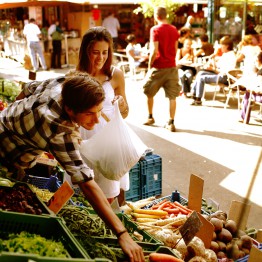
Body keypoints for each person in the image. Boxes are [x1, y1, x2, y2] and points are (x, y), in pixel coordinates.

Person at [0, 71, 144, 262]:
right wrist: (122, 233)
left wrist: (16, 116)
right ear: (69, 109)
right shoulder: (58, 130)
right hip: (6, 155)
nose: (97, 119)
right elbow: (85, 182)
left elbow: (27, 89)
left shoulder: (62, 84)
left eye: (99, 110)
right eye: (89, 114)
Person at [77, 26, 130, 204]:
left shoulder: (115, 75)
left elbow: (126, 112)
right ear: (86, 52)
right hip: (84, 141)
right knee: (83, 193)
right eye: (95, 52)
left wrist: (122, 104)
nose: (101, 58)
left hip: (109, 142)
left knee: (107, 194)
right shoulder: (76, 76)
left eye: (105, 52)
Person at [143, 6, 181, 132]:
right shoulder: (174, 29)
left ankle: (150, 117)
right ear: (166, 15)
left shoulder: (155, 29)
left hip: (158, 67)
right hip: (171, 67)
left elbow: (154, 51)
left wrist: (149, 66)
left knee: (148, 92)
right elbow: (176, 49)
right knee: (172, 96)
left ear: (156, 16)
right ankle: (171, 121)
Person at [190, 36, 236, 105]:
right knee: (201, 73)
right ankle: (193, 94)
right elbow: (218, 66)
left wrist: (212, 69)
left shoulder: (230, 56)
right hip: (220, 75)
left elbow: (223, 71)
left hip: (224, 77)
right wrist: (213, 61)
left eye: (222, 45)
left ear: (227, 46)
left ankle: (198, 99)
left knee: (202, 78)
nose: (220, 47)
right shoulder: (226, 54)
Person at [240, 51, 262, 124]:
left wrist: (252, 89)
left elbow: (260, 89)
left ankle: (244, 118)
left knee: (248, 94)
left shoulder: (260, 73)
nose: (255, 63)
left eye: (255, 61)